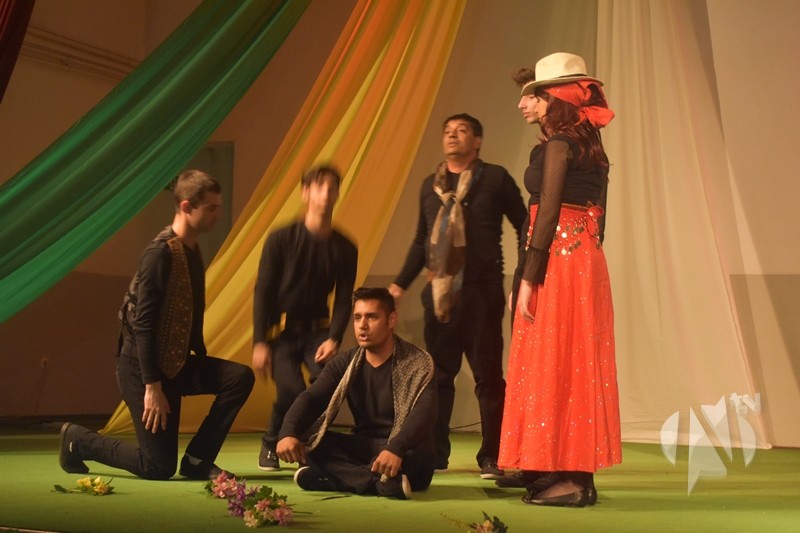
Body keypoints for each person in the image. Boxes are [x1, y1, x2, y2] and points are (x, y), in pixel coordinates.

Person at [58, 170, 255, 480]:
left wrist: (200, 363)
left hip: (176, 366)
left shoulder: (192, 251)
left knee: (238, 377)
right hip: (142, 370)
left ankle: (198, 459)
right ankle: (78, 440)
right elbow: (144, 324)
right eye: (211, 208)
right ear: (187, 207)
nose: (217, 215)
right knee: (158, 466)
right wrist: (152, 387)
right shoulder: (159, 254)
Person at [496, 52, 622, 507]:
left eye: (535, 95)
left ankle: (574, 481)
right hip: (584, 259)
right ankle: (558, 469)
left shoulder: (558, 147)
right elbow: (599, 214)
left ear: (555, 99)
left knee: (555, 359)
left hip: (558, 259)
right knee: (576, 361)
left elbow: (547, 212)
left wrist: (529, 278)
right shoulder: (592, 146)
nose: (523, 103)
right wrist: (584, 250)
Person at [389, 113, 527, 479]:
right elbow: (421, 241)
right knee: (438, 377)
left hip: (483, 292)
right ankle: (435, 454)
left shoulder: (495, 178)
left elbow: (524, 223)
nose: (452, 136)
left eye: (461, 131)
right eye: (448, 131)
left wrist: (524, 273)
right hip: (440, 295)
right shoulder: (429, 186)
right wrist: (398, 285)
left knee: (488, 378)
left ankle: (492, 455)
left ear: (477, 141)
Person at [275, 287, 436, 500]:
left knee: (417, 457)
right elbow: (312, 398)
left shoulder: (418, 362)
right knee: (311, 443)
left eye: (372, 317)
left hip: (405, 450)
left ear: (391, 320)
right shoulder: (345, 362)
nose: (362, 325)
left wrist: (395, 448)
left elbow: (425, 414)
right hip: (365, 447)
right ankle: (380, 483)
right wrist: (287, 432)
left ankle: (334, 478)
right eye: (357, 317)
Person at [252, 165, 358, 471]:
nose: (326, 193)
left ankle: (309, 448)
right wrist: (260, 342)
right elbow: (263, 291)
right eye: (319, 186)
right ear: (305, 193)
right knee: (290, 391)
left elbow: (343, 298)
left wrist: (334, 338)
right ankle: (272, 441)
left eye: (332, 188)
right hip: (282, 333)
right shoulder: (280, 239)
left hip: (319, 333)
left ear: (337, 194)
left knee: (325, 388)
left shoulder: (345, 247)